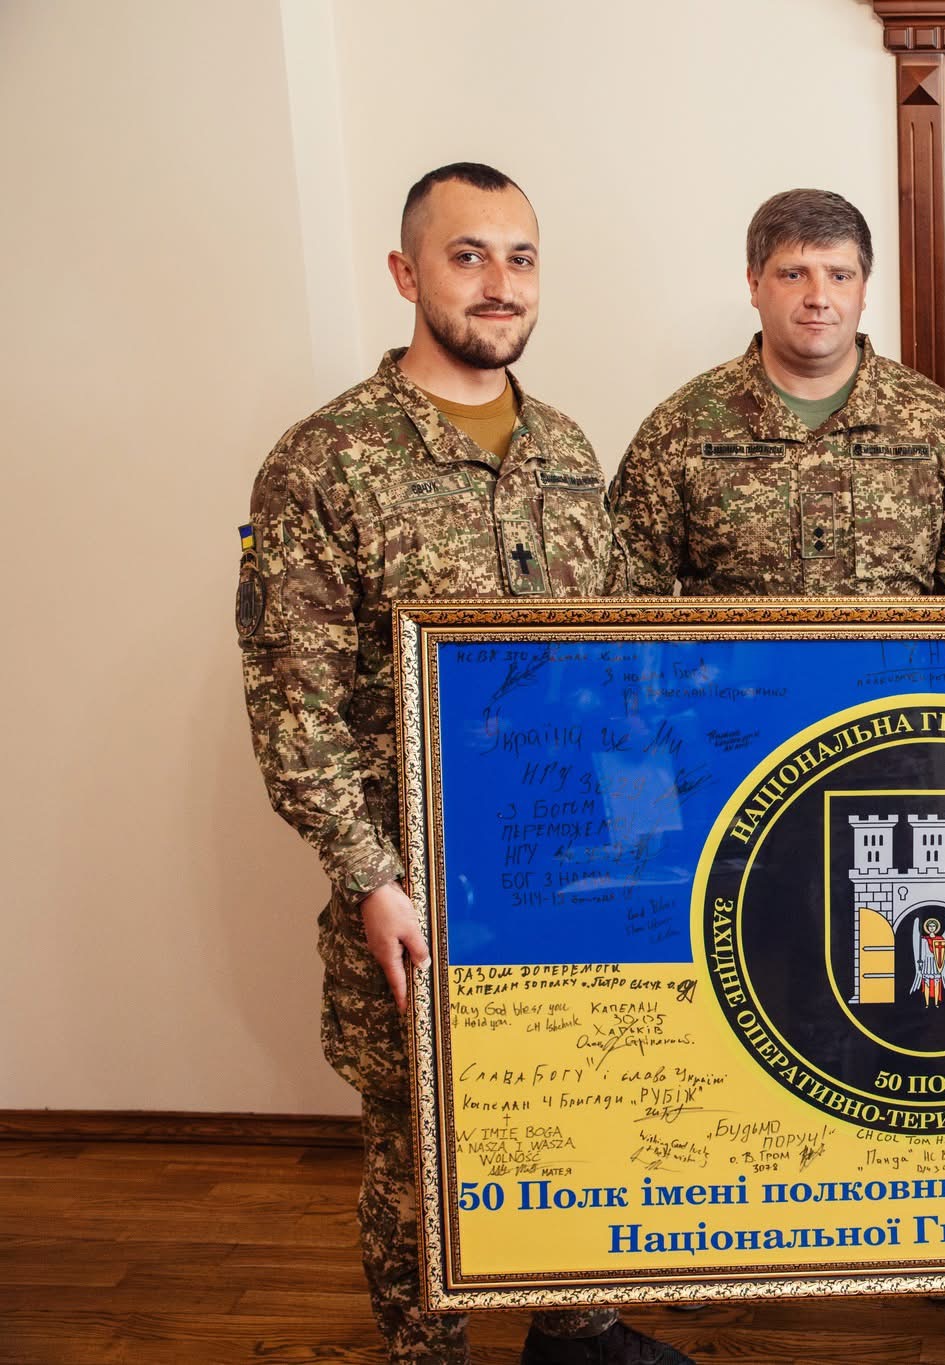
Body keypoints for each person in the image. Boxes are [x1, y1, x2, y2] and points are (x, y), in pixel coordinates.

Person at [239, 162, 689, 1365]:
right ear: (406, 273)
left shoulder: (566, 449)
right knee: (420, 1151)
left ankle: (576, 1333)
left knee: (574, 1111)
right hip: (419, 884)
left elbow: (617, 664)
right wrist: (369, 878)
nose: (499, 284)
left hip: (569, 873)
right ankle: (425, 1356)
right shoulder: (326, 461)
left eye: (520, 258)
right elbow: (293, 704)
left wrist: (643, 841)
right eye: (468, 255)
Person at [606, 188, 945, 597]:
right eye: (794, 274)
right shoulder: (680, 428)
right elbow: (624, 603)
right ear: (754, 284)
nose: (818, 298)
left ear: (863, 290)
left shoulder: (942, 427)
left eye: (839, 276)